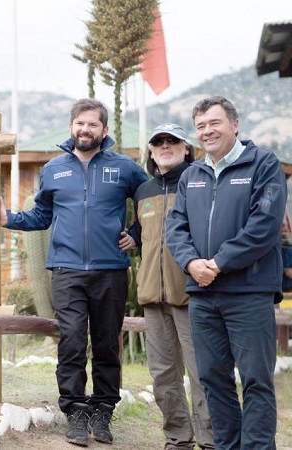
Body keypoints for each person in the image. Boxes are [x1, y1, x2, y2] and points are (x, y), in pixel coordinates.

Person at [0, 98, 148, 446]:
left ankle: (103, 410)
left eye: (93, 124)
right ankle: (75, 410)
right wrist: (10, 220)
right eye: (80, 123)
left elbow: (152, 203)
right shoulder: (53, 170)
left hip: (111, 271)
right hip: (66, 272)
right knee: (72, 343)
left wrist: (137, 234)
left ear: (104, 130)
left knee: (108, 345)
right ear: (72, 127)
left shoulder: (125, 168)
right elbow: (41, 215)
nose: (85, 129)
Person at [166, 96, 285, 450]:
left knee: (256, 380)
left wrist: (217, 263)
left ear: (234, 125)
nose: (207, 131)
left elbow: (265, 225)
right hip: (203, 296)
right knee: (212, 380)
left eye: (214, 123)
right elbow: (176, 227)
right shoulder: (192, 175)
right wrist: (190, 263)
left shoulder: (263, 165)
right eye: (200, 126)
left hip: (249, 293)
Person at [128, 123, 214, 450]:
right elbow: (142, 232)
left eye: (173, 141)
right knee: (163, 377)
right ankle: (178, 439)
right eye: (159, 142)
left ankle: (211, 440)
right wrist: (132, 237)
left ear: (187, 149)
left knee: (202, 373)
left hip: (193, 296)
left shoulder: (202, 183)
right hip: (153, 296)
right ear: (151, 151)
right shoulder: (144, 192)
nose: (165, 146)